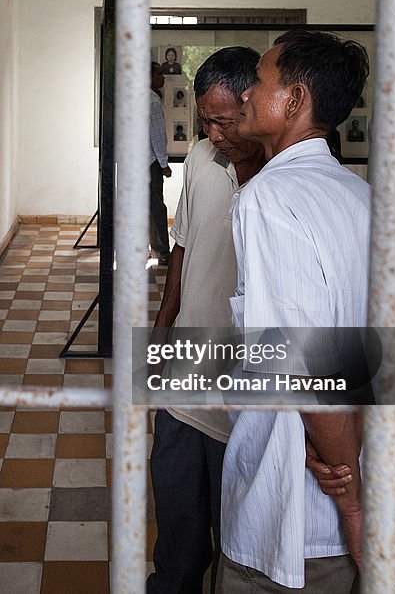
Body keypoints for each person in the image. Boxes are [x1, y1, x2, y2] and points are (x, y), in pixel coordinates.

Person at [218, 31, 395, 592]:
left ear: (293, 99)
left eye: (259, 82)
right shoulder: (361, 199)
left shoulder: (269, 198)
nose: (244, 97)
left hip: (293, 516)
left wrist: (356, 508)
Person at [147, 47, 267, 594]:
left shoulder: (278, 180)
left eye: (224, 120)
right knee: (175, 521)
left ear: (255, 104)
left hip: (241, 390)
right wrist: (164, 321)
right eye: (205, 120)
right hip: (186, 374)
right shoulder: (199, 159)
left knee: (235, 528)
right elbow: (182, 244)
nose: (214, 132)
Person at [148, 62, 171, 264]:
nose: (163, 78)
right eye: (159, 74)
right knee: (156, 208)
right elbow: (156, 136)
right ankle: (162, 253)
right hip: (149, 163)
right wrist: (164, 164)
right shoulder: (152, 101)